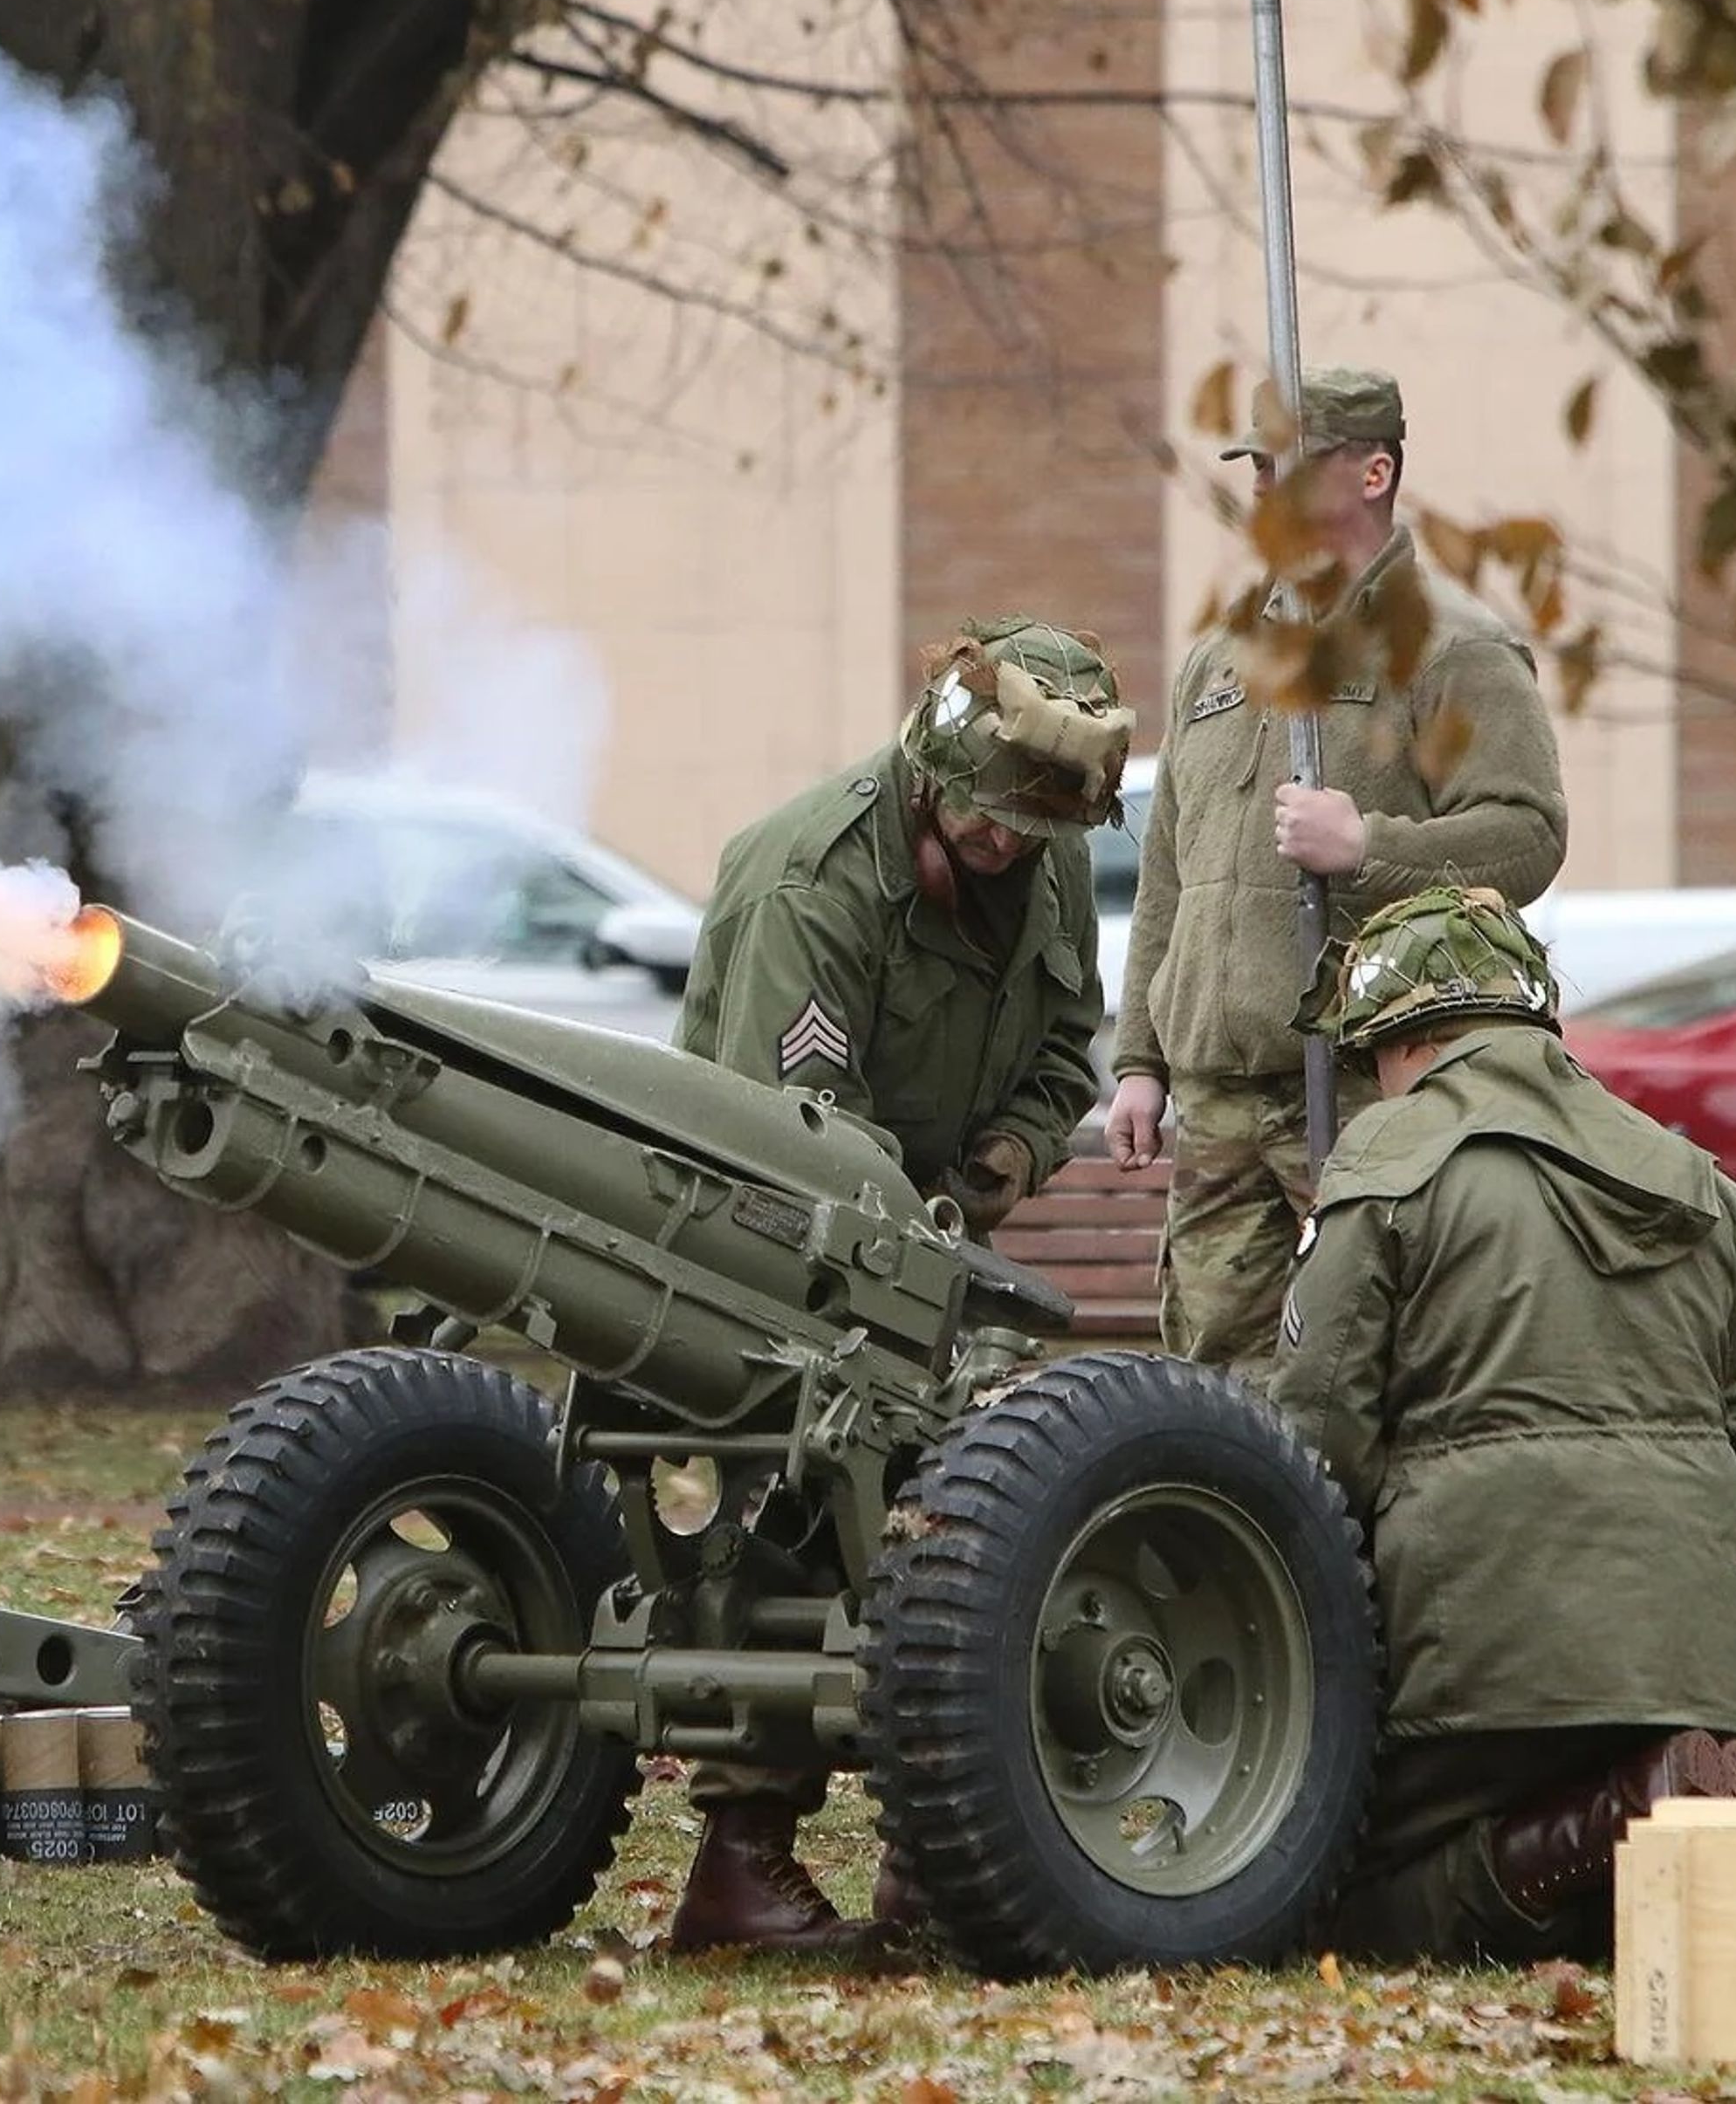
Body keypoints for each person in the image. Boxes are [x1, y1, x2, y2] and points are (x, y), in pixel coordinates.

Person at [664, 615, 1134, 1953]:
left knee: (980, 1503)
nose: (1005, 845)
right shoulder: (809, 880)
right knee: (812, 1498)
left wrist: (998, 1163)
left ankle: (934, 1847)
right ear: (933, 768)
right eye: (984, 819)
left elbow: (1061, 1053)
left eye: (1033, 828)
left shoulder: (1036, 859)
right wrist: (915, 1235)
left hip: (925, 1239)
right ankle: (738, 1859)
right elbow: (792, 1138)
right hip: (773, 1236)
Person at [1260, 887, 1736, 1962]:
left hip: (1481, 1651)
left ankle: (1613, 1817)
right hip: (1691, 1655)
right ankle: (1651, 1799)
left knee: (1330, 1903)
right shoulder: (1688, 1173)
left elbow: (1317, 1430)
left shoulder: (1394, 1156)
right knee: (1616, 1925)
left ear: (1414, 1037)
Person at [1105, 366, 1568, 1374]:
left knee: (1381, 1362)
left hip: (1362, 1085)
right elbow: (1170, 875)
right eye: (1258, 468)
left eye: (1290, 467)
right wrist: (1140, 1056)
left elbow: (1527, 834)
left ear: (1372, 472)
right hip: (1220, 1093)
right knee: (1216, 1388)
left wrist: (1370, 850)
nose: (1266, 492)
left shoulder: (1451, 647)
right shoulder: (1226, 656)